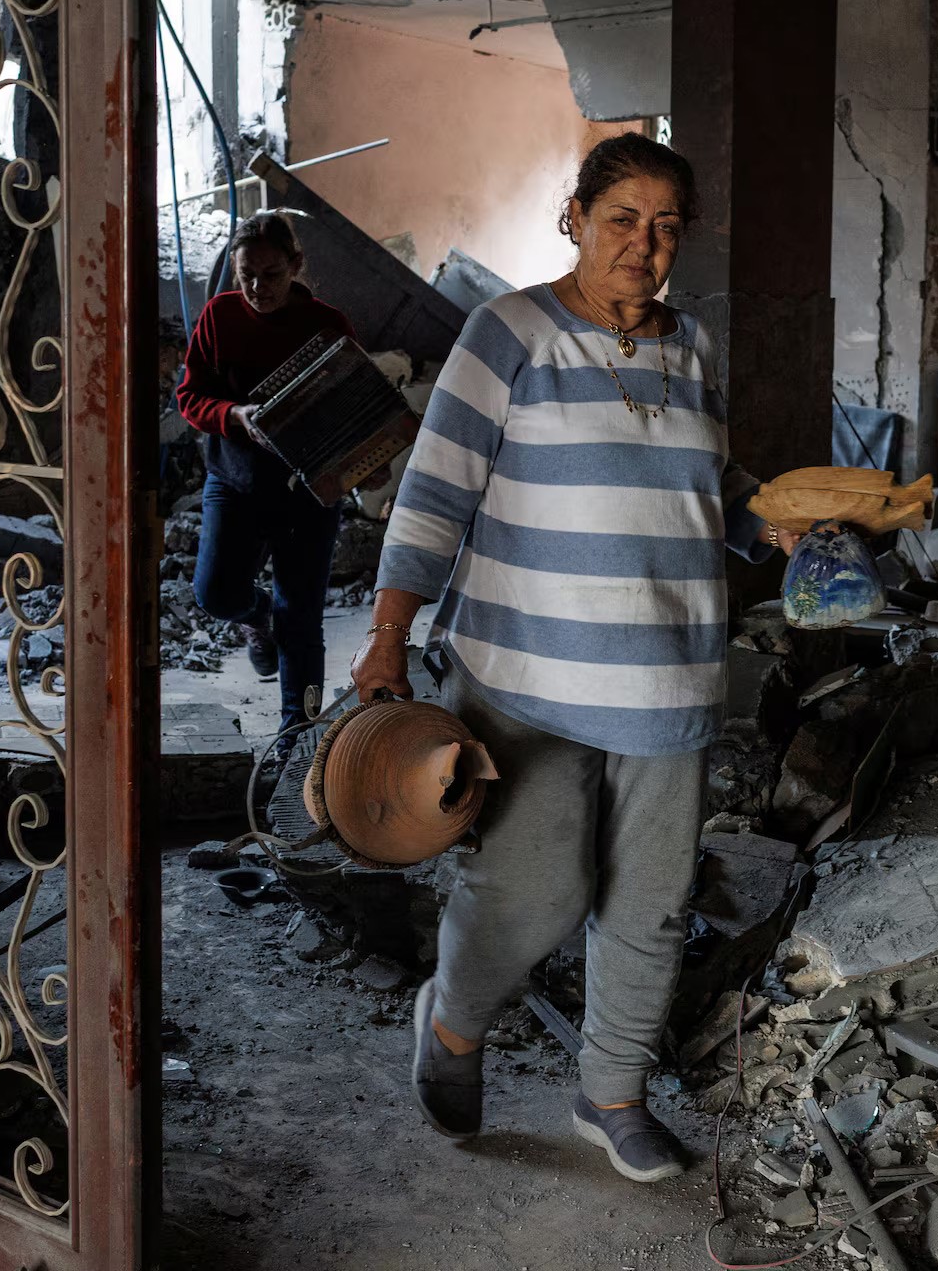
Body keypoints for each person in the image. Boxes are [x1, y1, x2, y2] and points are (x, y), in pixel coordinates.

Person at [349, 132, 803, 1183]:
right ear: (577, 221)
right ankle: (453, 1023)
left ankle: (613, 1094)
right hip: (526, 673)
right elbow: (435, 491)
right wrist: (388, 636)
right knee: (532, 888)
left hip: (671, 673)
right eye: (622, 220)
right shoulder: (509, 333)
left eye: (666, 227)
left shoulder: (693, 347)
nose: (644, 245)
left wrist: (773, 522)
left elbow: (712, 484)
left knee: (651, 899)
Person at [176, 211, 354, 747]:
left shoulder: (326, 324)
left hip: (309, 491)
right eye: (246, 275)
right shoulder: (220, 316)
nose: (257, 288)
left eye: (271, 274)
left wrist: (365, 463)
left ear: (295, 265)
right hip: (236, 480)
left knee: (301, 619)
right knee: (215, 593)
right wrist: (234, 415)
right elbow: (190, 397)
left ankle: (296, 741)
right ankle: (258, 617)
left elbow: (357, 403)